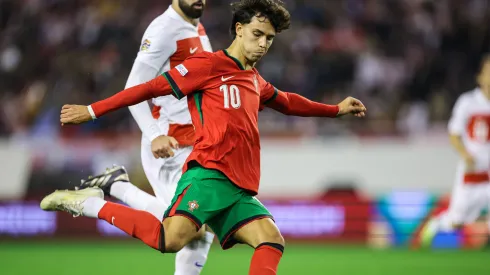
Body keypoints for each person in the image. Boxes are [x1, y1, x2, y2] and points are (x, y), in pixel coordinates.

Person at [42, 1, 366, 274]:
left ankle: (114, 188)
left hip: (238, 187)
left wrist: (334, 110)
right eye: (257, 34)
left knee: (271, 240)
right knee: (170, 240)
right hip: (207, 175)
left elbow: (288, 102)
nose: (264, 44)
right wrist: (93, 110)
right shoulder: (208, 65)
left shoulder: (253, 79)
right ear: (239, 29)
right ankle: (92, 204)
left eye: (269, 38)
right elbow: (147, 88)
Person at [78, 1, 214, 273]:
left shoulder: (196, 26)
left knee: (199, 229)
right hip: (169, 146)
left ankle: (115, 184)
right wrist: (154, 136)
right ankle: (116, 188)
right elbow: (133, 89)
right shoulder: (164, 30)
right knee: (189, 226)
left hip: (195, 143)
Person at [420, 55, 490, 247]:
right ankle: (435, 226)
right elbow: (454, 134)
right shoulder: (468, 102)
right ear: (480, 76)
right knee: (457, 220)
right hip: (473, 170)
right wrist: (465, 154)